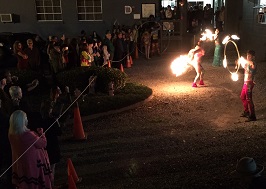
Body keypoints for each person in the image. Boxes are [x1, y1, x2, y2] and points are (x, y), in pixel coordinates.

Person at [8, 110, 53, 189]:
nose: (27, 120)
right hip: (33, 164)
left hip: (20, 164)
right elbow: (43, 143)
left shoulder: (11, 134)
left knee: (24, 183)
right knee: (35, 184)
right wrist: (42, 134)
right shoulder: (28, 135)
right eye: (25, 118)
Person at [239, 50, 257, 121]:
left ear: (253, 57)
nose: (248, 57)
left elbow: (251, 68)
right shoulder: (246, 63)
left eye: (250, 56)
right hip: (245, 82)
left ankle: (253, 116)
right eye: (247, 55)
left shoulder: (253, 63)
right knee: (242, 97)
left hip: (250, 83)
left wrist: (244, 61)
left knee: (249, 99)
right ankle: (246, 111)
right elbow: (244, 70)